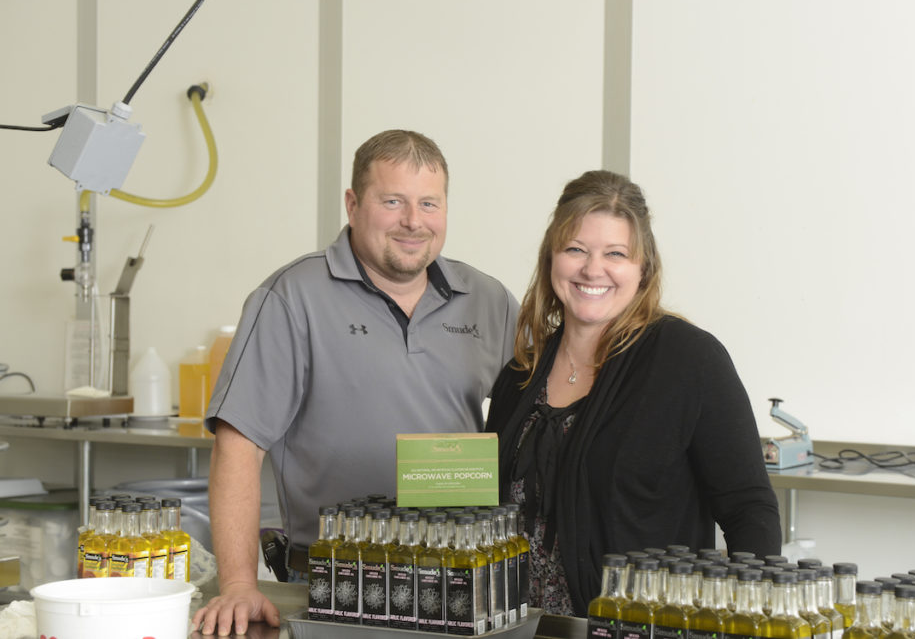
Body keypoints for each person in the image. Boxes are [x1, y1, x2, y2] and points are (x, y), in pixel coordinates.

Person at [192, 129, 518, 635]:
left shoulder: (487, 299)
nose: (413, 221)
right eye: (393, 201)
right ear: (353, 203)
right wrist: (237, 583)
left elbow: (539, 418)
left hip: (460, 576)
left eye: (429, 203)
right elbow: (239, 444)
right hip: (333, 580)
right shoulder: (291, 298)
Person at [484, 169, 780, 617]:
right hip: (518, 627)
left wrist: (749, 615)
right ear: (551, 259)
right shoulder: (519, 375)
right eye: (575, 249)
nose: (592, 269)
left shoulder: (689, 361)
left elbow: (748, 508)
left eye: (615, 253)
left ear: (643, 268)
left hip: (640, 625)